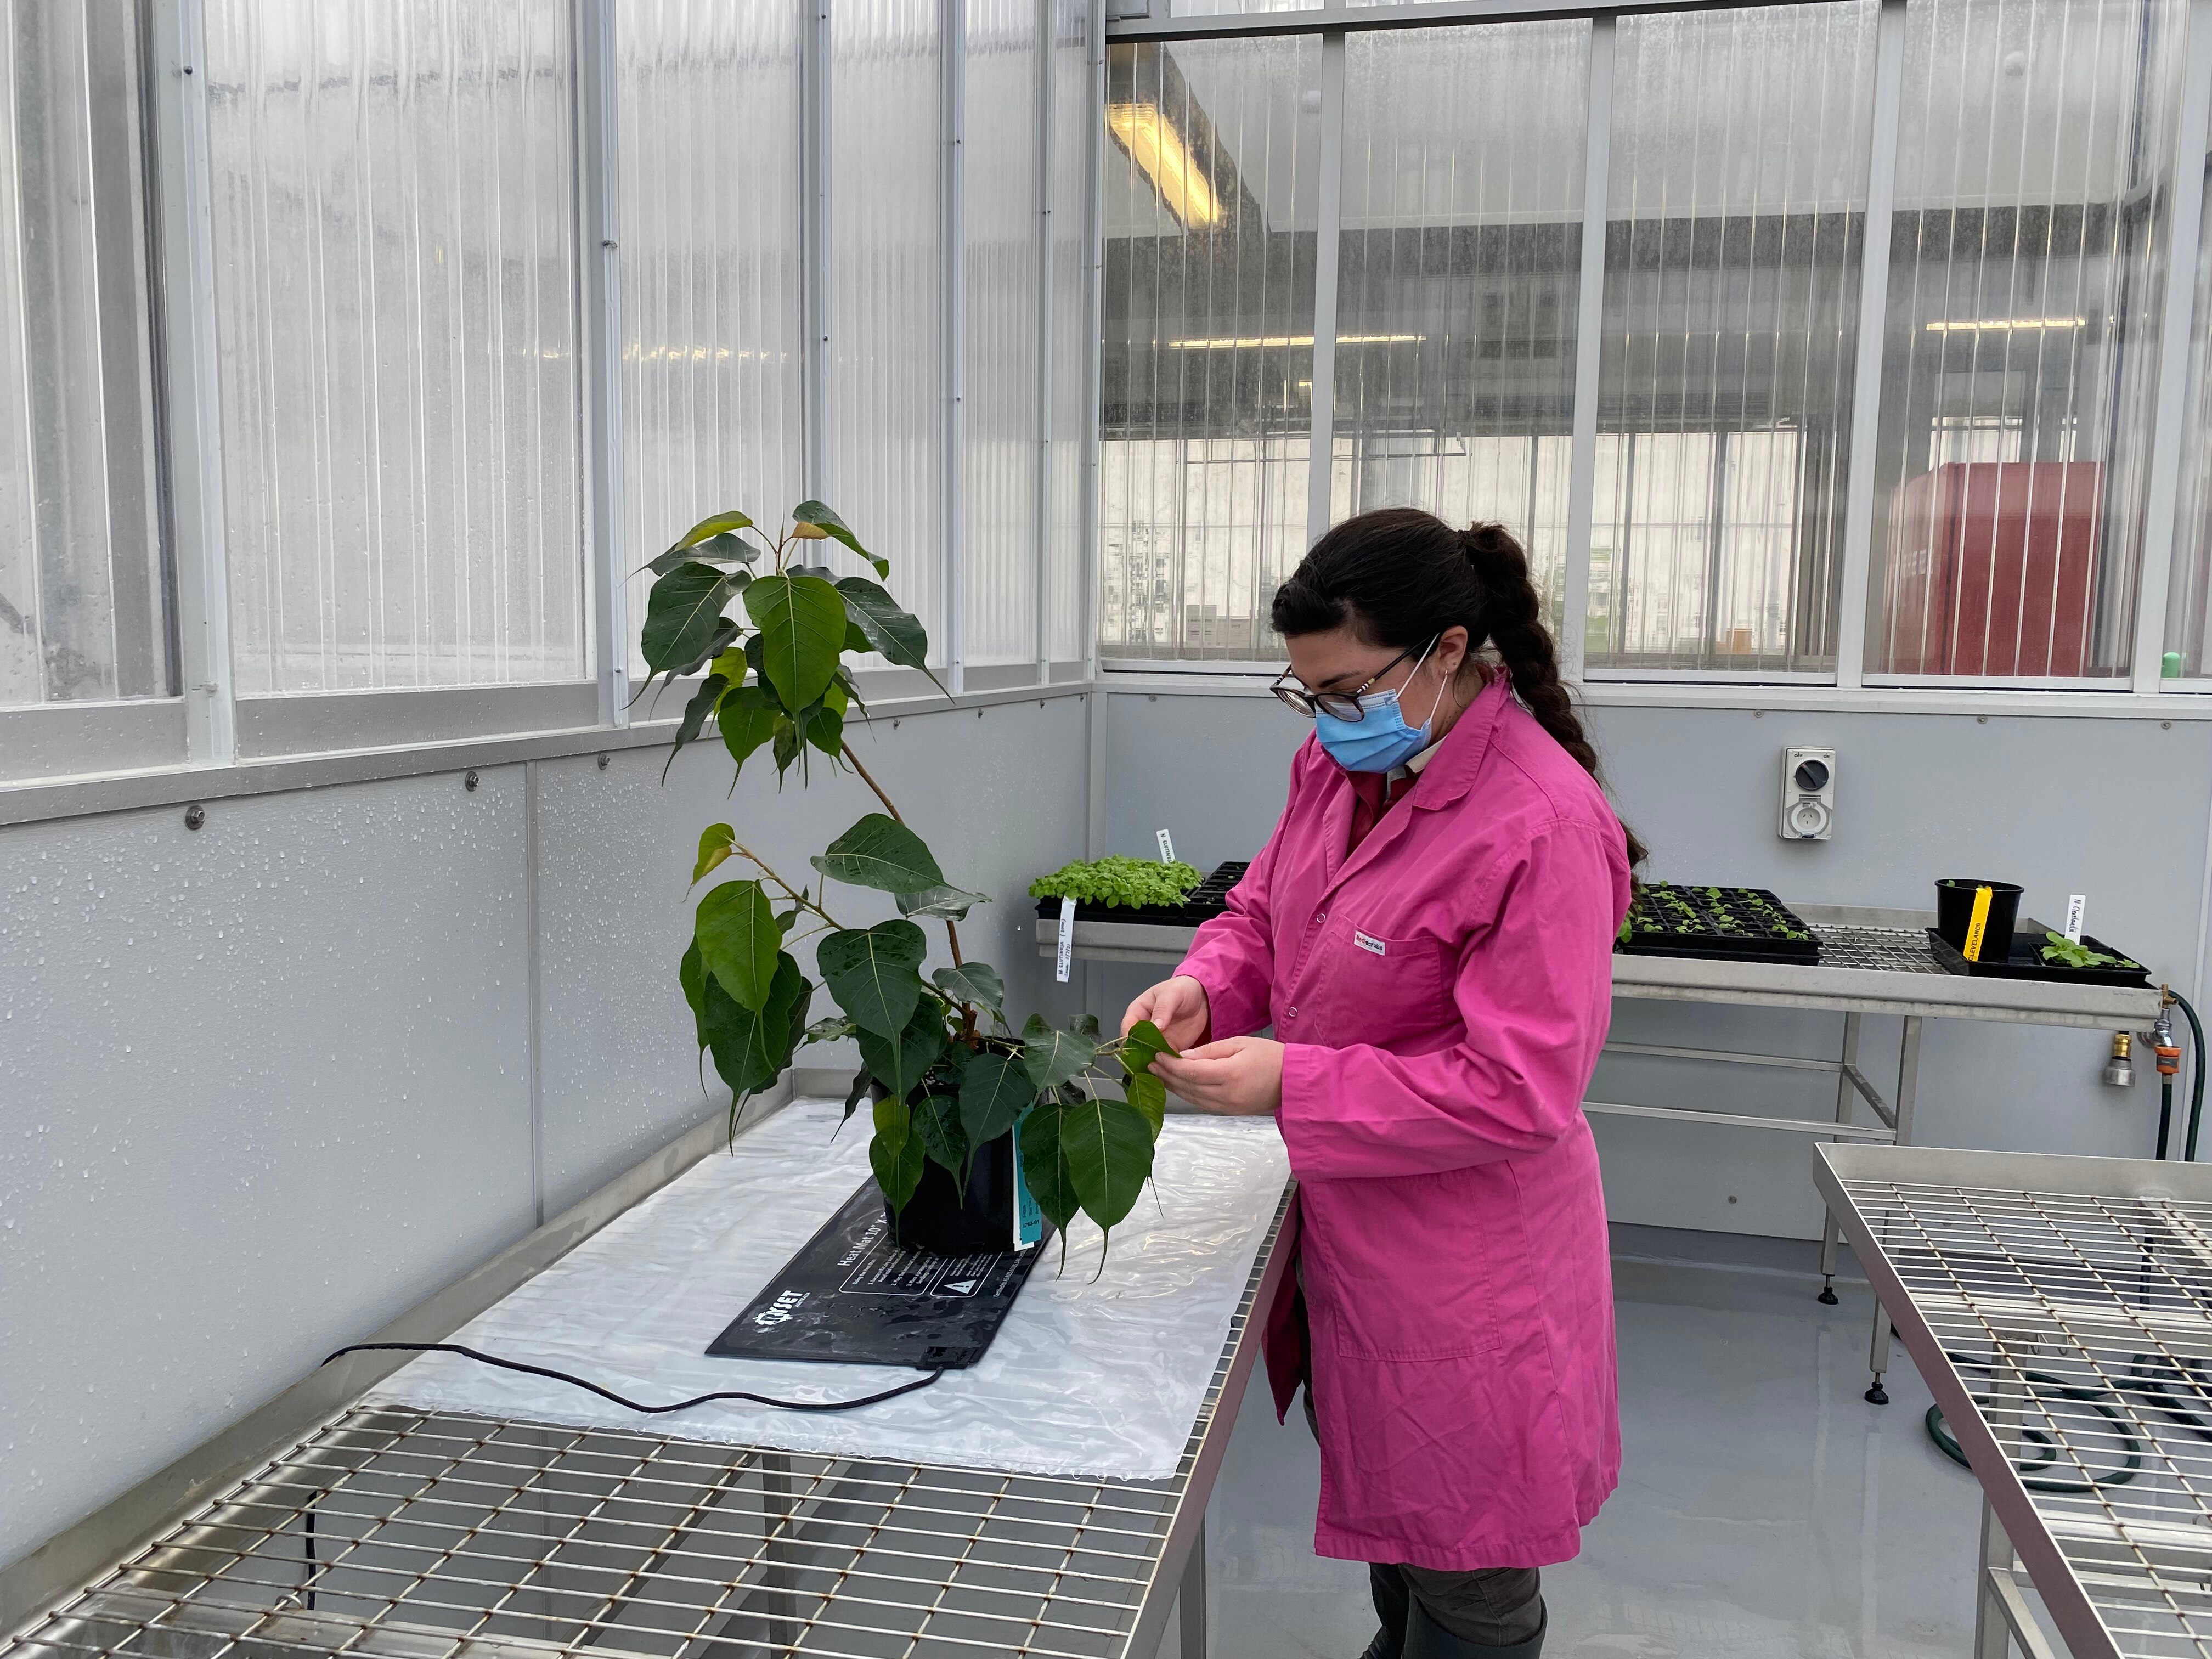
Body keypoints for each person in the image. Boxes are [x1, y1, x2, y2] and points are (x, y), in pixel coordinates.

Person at [1126, 509, 1639, 1659]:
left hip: (1469, 1276)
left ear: (1448, 652)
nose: (1327, 718)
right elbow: (1267, 911)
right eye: (1307, 694)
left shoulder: (1543, 826)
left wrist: (1292, 1084)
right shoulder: (1341, 759)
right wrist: (1205, 987)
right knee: (1406, 1554)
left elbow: (1518, 1089)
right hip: (1355, 1243)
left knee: (1473, 1593)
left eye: (1348, 690)